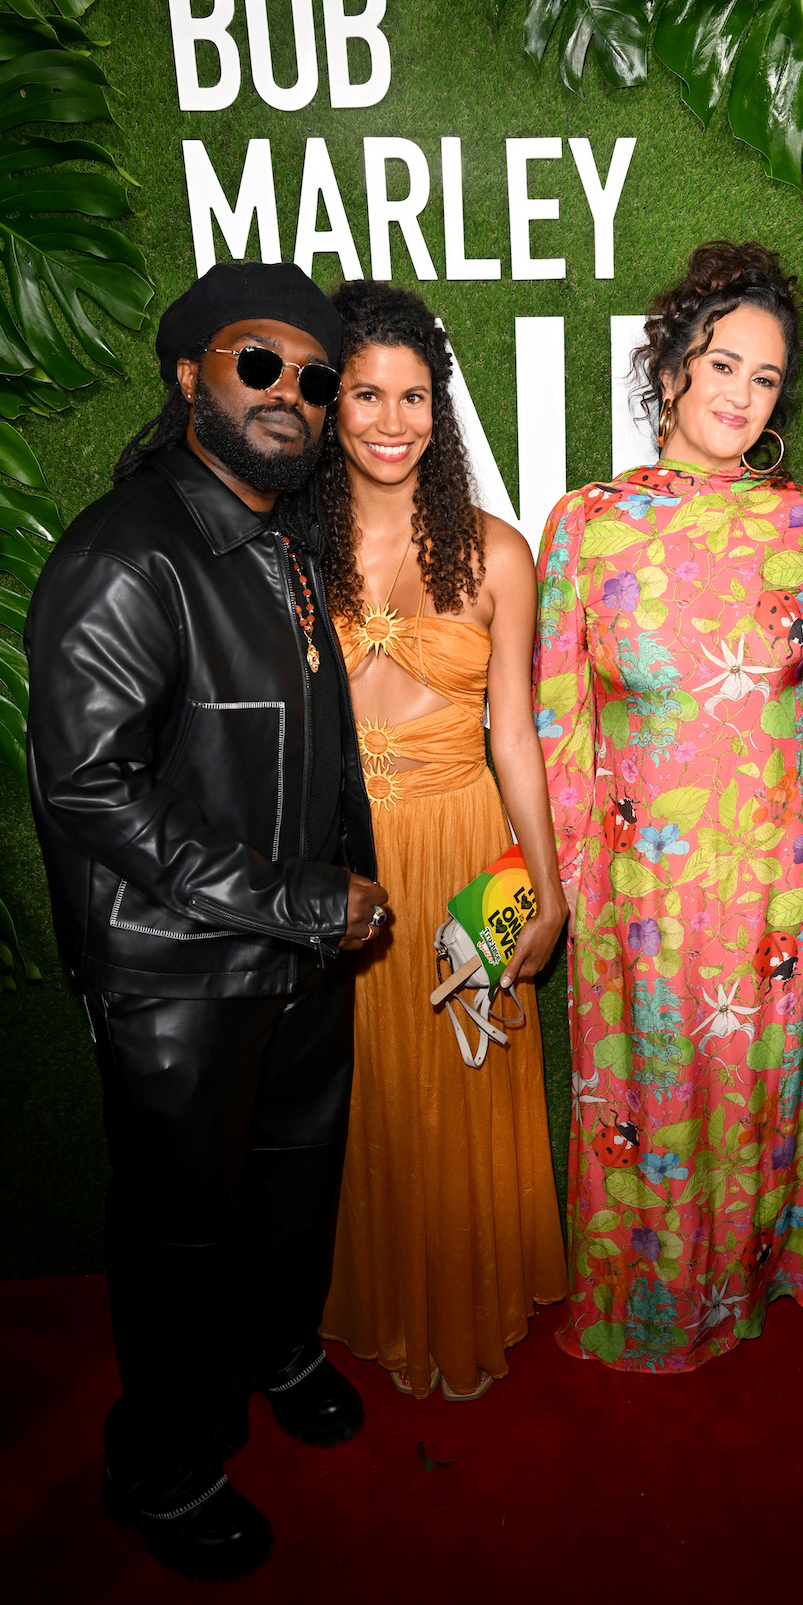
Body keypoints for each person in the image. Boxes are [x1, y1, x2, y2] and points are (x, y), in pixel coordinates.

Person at [25, 261, 389, 1582]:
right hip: (178, 976)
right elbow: (88, 790)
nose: (291, 393)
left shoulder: (281, 549)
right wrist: (296, 901)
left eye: (314, 379)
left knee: (292, 1187)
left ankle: (276, 1352)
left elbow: (316, 758)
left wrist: (328, 904)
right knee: (183, 1230)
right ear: (190, 376)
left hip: (298, 960)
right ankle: (163, 1467)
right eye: (258, 364)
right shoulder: (125, 552)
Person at [535, 240, 803, 1374]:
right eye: (721, 363)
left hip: (778, 881)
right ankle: (656, 1301)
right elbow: (557, 723)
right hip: (641, 887)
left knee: (761, 1094)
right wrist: (569, 890)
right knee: (655, 1109)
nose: (738, 394)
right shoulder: (588, 522)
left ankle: (762, 1273)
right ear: (668, 367)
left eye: (764, 378)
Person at [317, 280, 568, 1400]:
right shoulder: (285, 551)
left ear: (440, 406)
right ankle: (373, 1299)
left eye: (412, 395)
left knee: (465, 1082)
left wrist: (548, 893)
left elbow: (515, 734)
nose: (389, 418)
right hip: (340, 858)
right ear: (330, 405)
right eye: (365, 392)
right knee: (359, 1088)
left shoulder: (500, 554)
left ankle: (465, 1302)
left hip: (472, 850)